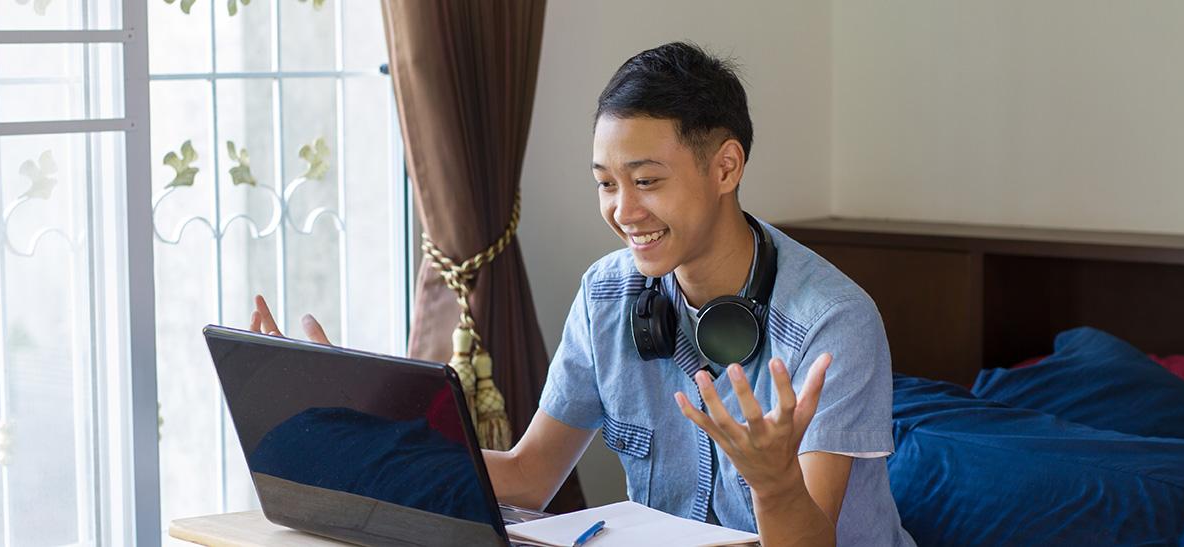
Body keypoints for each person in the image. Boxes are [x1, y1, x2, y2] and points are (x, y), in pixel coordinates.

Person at [252, 41, 914, 546]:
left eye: (647, 180)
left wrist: (773, 484)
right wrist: (349, 417)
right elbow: (528, 474)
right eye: (605, 183)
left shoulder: (835, 322)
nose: (623, 211)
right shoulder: (607, 295)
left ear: (725, 167)